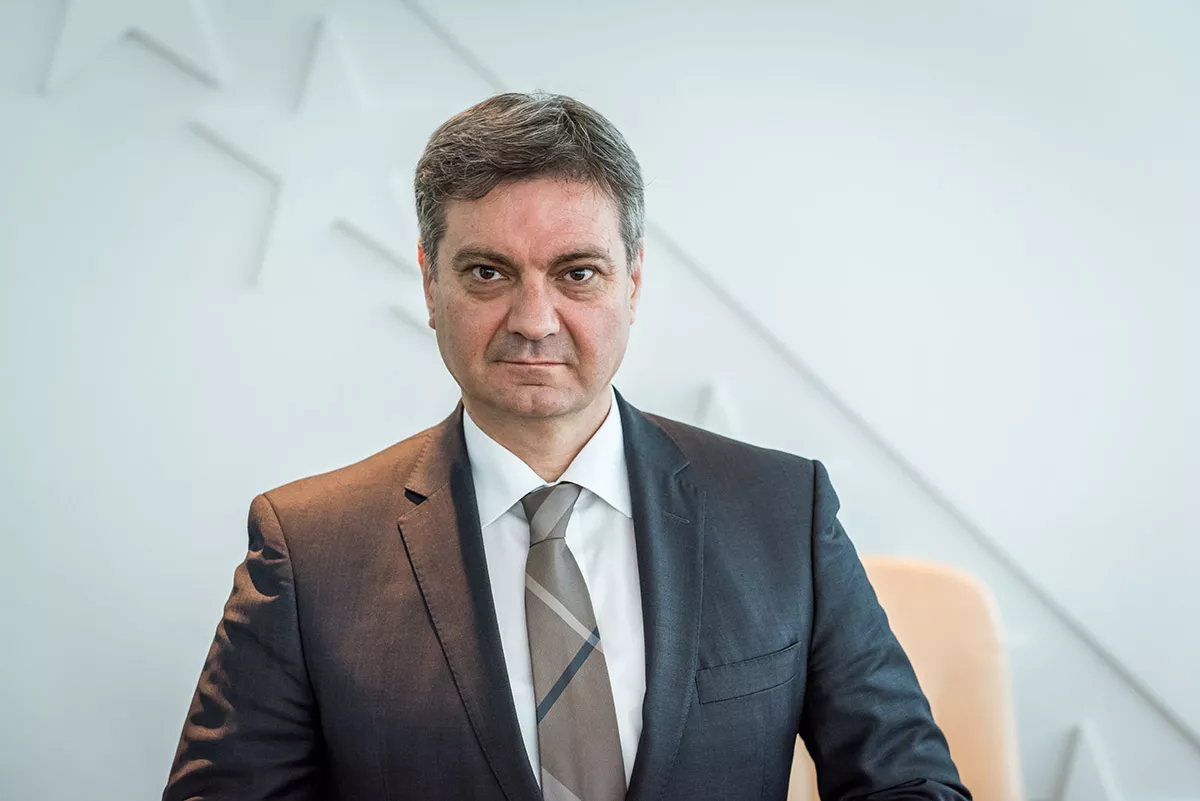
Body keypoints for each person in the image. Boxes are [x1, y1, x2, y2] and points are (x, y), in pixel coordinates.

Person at [163, 91, 971, 801]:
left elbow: (910, 784)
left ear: (633, 283)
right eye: (488, 273)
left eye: (577, 273)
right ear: (429, 283)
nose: (534, 320)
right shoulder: (306, 548)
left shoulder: (782, 512)